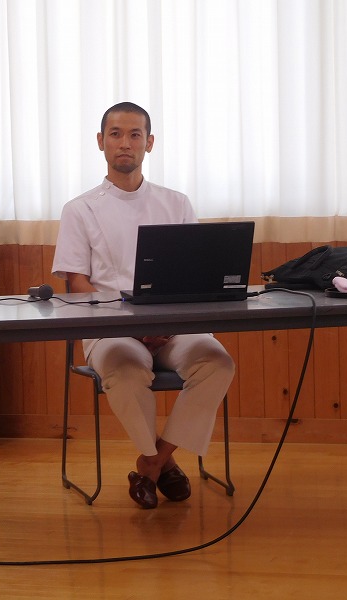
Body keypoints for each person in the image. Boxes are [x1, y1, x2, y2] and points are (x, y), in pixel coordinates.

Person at [51, 102, 236, 509]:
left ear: (149, 143)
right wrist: (131, 326)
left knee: (217, 362)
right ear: (100, 142)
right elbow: (78, 284)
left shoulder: (176, 203)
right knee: (126, 368)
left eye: (135, 134)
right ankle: (162, 464)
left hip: (173, 327)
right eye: (115, 134)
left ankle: (151, 464)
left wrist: (165, 325)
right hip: (109, 328)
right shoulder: (79, 209)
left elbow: (193, 275)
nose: (125, 143)